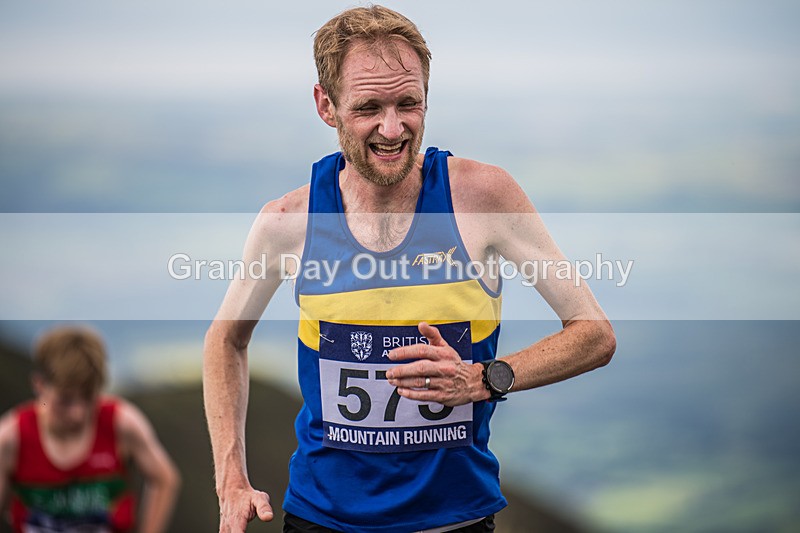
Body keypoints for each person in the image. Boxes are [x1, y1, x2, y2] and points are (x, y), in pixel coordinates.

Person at [203, 5, 616, 533]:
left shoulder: (483, 199)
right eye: (369, 106)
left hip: (454, 521)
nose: (393, 128)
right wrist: (230, 482)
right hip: (319, 519)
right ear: (325, 105)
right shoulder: (288, 223)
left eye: (408, 103)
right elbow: (225, 341)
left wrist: (485, 378)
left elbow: (594, 334)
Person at [0, 325, 180, 533]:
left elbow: (164, 478)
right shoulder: (11, 438)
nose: (78, 413)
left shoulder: (122, 424)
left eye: (88, 397)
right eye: (65, 400)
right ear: (39, 384)